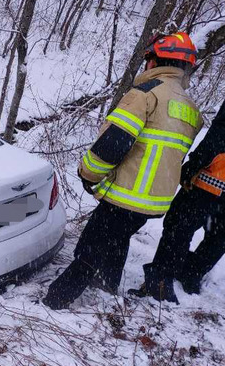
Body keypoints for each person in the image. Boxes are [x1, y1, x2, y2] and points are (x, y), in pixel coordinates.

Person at [42, 32, 202, 310]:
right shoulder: (190, 108)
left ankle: (54, 301)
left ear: (154, 61)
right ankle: (106, 285)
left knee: (89, 250)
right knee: (117, 239)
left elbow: (112, 144)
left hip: (126, 195)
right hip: (154, 200)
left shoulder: (145, 94)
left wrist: (88, 174)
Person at [132, 99, 225, 303]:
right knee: (219, 235)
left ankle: (160, 283)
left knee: (179, 225)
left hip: (213, 178)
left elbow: (220, 134)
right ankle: (192, 274)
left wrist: (195, 163)